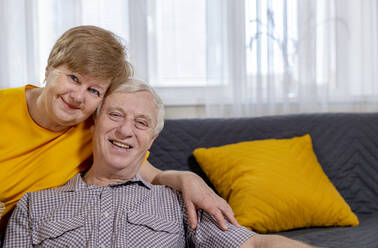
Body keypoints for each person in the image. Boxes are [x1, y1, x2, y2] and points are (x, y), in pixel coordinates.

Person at [3, 79, 314, 248]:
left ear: (151, 140)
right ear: (92, 125)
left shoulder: (178, 202)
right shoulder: (34, 206)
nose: (125, 130)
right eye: (115, 115)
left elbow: (254, 245)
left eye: (141, 123)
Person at [0, 25, 236, 235]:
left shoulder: (94, 131)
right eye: (73, 78)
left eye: (94, 91)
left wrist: (191, 179)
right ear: (49, 69)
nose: (78, 96)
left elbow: (153, 176)